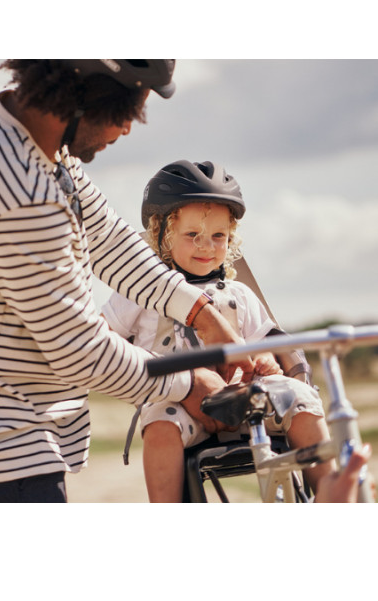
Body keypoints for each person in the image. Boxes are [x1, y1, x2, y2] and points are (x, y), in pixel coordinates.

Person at [0, 60, 254, 503]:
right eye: (126, 110)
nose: (126, 129)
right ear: (86, 89)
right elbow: (79, 349)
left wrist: (200, 313)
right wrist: (189, 383)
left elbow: (107, 237)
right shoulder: (22, 197)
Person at [102, 159, 336, 502]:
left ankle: (332, 496)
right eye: (192, 235)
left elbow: (266, 340)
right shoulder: (140, 292)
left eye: (218, 236)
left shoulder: (239, 293)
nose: (206, 246)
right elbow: (105, 335)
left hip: (248, 399)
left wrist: (268, 360)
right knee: (159, 428)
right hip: (178, 403)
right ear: (161, 234)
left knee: (301, 400)